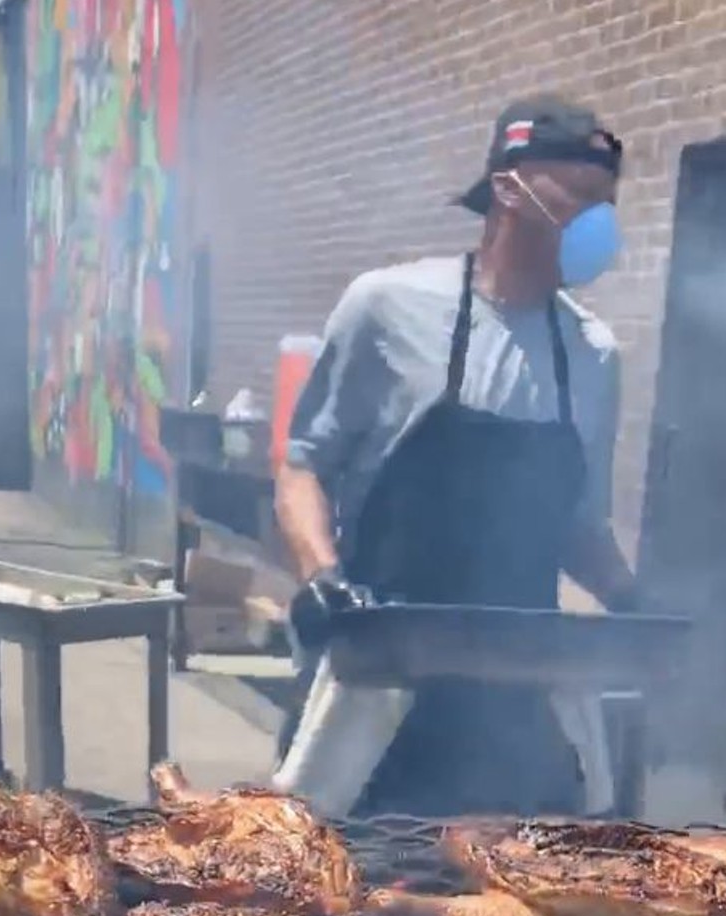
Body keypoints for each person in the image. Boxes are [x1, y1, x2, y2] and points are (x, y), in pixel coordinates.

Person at [272, 94, 637, 819]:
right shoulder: (386, 307)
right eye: (584, 197)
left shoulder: (595, 354)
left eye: (610, 203)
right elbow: (302, 465)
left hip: (516, 698)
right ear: (509, 187)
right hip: (381, 680)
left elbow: (577, 526)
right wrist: (321, 578)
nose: (601, 223)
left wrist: (634, 601)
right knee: (333, 894)